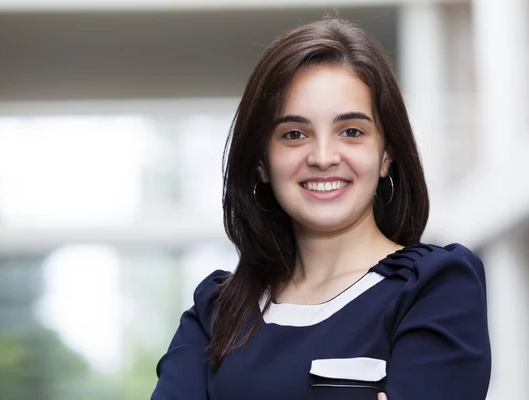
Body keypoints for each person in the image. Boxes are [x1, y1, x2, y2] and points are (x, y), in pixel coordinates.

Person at [151, 17, 491, 400]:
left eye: (352, 131)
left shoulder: (434, 289)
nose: (324, 157)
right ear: (261, 162)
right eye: (294, 134)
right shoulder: (215, 312)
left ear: (386, 155)